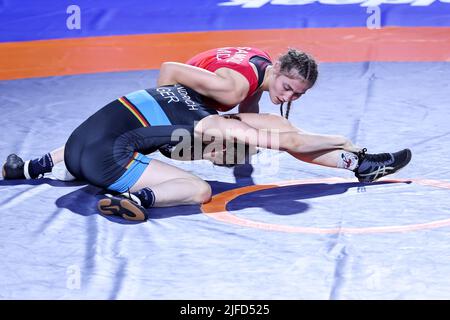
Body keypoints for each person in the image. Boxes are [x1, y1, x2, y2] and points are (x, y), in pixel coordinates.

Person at [2, 84, 411, 222]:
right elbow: (290, 143)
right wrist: (345, 142)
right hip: (104, 163)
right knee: (197, 189)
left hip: (71, 150)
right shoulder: (210, 123)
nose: (218, 157)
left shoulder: (168, 93)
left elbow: (100, 130)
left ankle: (31, 168)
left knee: (113, 138)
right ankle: (136, 198)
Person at [157, 47, 318, 117]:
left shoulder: (262, 64)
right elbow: (170, 70)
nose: (289, 97)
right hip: (178, 97)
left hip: (200, 81)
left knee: (240, 140)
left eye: (298, 94)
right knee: (222, 139)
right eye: (287, 87)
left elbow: (249, 107)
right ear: (277, 67)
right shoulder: (233, 90)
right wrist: (164, 125)